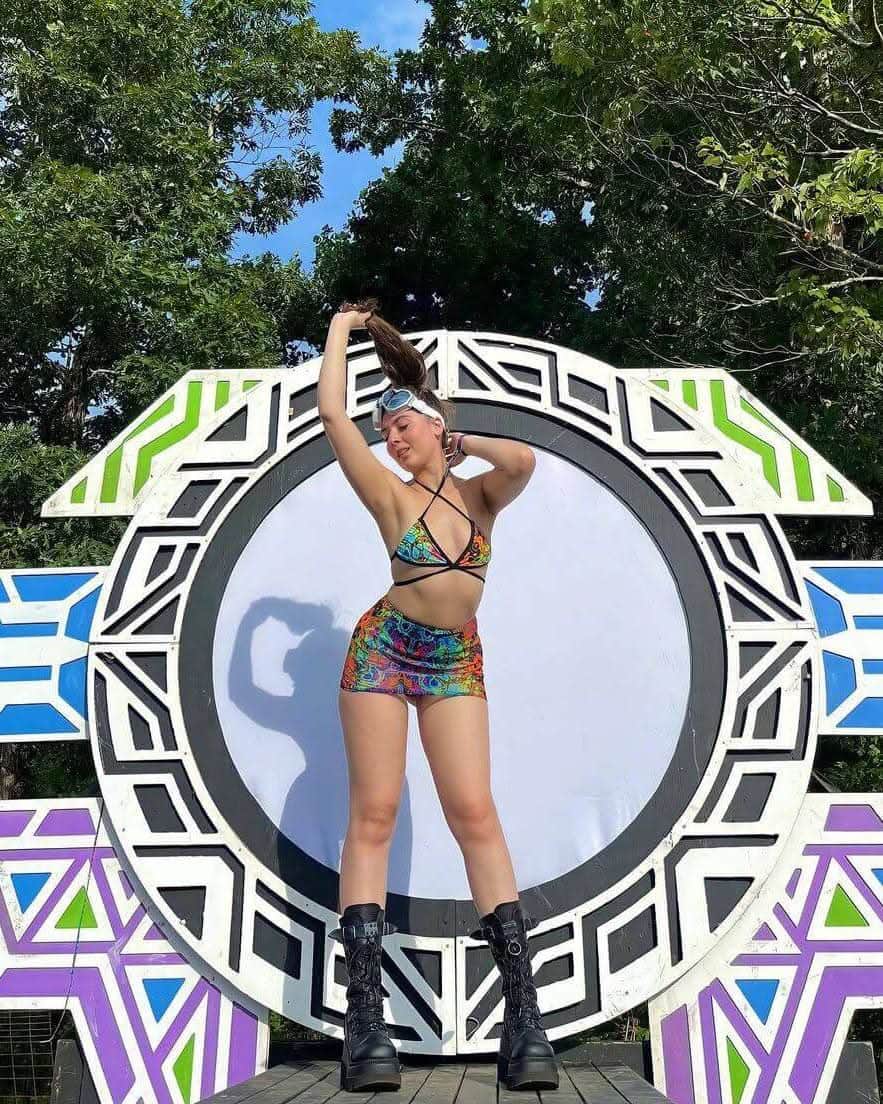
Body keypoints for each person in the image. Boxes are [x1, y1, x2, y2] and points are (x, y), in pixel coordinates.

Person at [318, 297, 558, 1093]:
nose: (392, 436)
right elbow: (331, 416)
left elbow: (522, 462)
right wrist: (340, 335)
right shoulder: (388, 497)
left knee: (474, 812)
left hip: (453, 656)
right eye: (387, 430)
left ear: (434, 426)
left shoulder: (479, 496)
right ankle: (366, 1026)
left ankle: (523, 1021)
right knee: (376, 812)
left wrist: (465, 441)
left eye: (404, 425)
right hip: (385, 651)